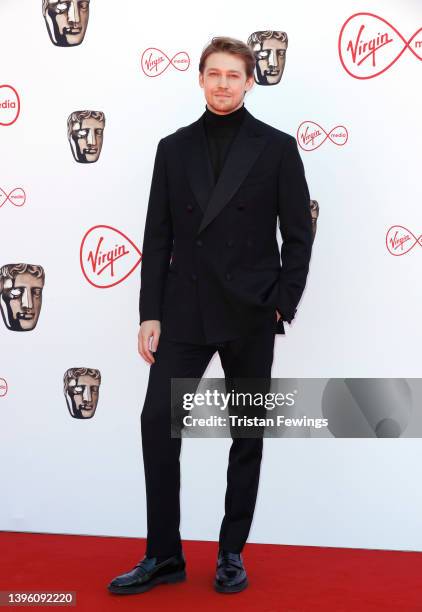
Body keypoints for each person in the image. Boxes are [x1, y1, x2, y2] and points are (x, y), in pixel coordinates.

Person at [107, 35, 313, 596]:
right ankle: (163, 554)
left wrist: (280, 304)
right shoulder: (173, 149)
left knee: (246, 433)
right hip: (185, 310)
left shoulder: (276, 148)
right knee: (157, 422)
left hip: (250, 312)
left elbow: (298, 235)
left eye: (233, 75)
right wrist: (150, 313)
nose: (223, 83)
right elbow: (158, 234)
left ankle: (230, 553)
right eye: (213, 74)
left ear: (251, 82)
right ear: (200, 79)